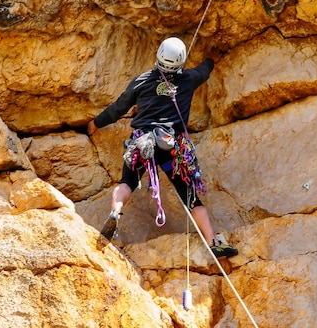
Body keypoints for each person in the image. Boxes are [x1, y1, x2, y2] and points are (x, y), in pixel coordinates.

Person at [87, 37, 238, 258]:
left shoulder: (142, 81)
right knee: (191, 198)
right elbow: (204, 70)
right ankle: (213, 241)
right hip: (172, 148)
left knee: (127, 182)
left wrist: (95, 123)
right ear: (181, 60)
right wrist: (211, 57)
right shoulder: (188, 79)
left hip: (143, 143)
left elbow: (118, 108)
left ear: (158, 55)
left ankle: (116, 210)